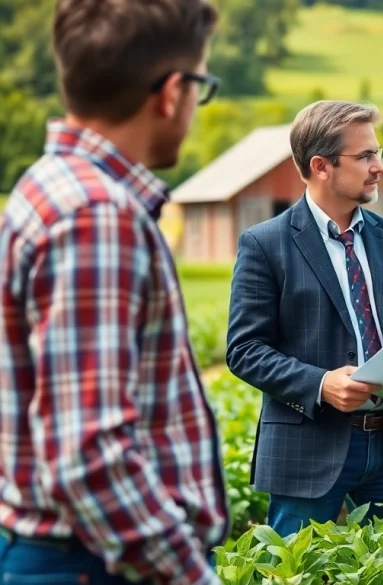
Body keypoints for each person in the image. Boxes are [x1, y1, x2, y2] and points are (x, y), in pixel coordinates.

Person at [0, 1, 228, 583]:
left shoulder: (48, 186)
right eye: (199, 87)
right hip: (90, 563)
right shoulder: (97, 213)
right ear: (172, 92)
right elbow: (88, 455)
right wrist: (190, 575)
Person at [225, 100, 383, 537]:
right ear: (321, 166)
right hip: (306, 447)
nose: (379, 166)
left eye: (378, 153)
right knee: (296, 571)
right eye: (365, 156)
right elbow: (244, 350)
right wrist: (321, 384)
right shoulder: (265, 244)